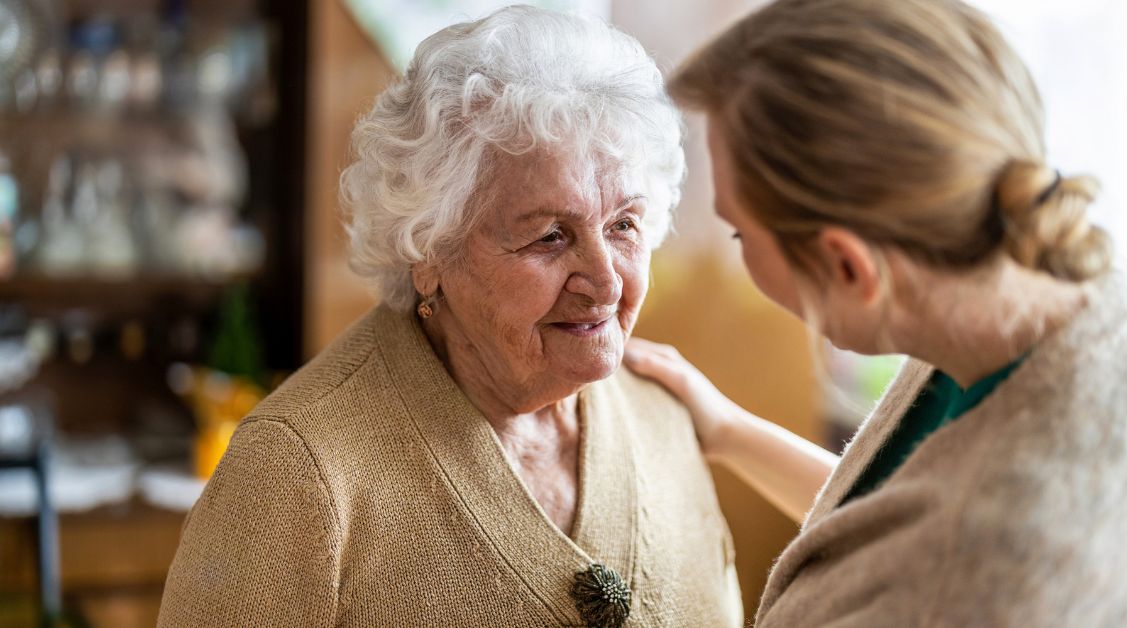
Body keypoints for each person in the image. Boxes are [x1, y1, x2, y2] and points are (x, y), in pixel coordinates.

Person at [158, 7, 742, 627]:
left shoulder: (664, 420)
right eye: (549, 236)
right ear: (428, 250)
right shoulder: (296, 473)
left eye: (624, 224)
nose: (604, 280)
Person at [625, 0, 1127, 625]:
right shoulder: (1096, 298)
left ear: (847, 267)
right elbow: (893, 522)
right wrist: (730, 431)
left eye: (740, 234)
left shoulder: (989, 579)